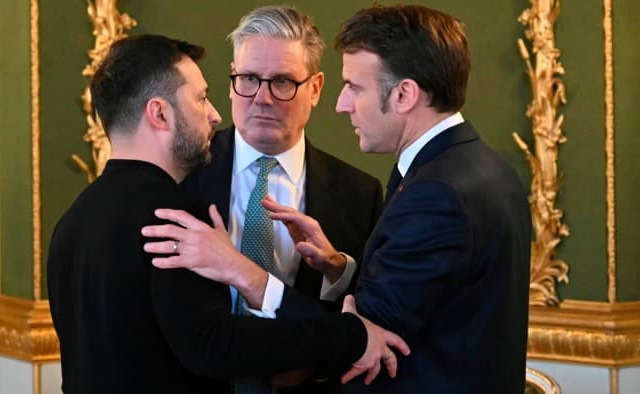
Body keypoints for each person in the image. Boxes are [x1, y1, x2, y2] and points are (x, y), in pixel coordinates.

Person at [144, 4, 532, 394]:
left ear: (404, 94)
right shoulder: (480, 170)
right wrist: (341, 273)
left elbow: (365, 337)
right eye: (247, 78)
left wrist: (245, 275)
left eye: (282, 82)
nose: (342, 104)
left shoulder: (406, 193)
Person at [47, 34, 407, 394]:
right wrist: (352, 335)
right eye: (201, 98)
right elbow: (214, 344)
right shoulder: (174, 218)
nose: (215, 114)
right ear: (160, 113)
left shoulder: (72, 220)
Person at [177, 6, 383, 392]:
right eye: (249, 79)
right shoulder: (183, 178)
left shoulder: (360, 193)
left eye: (283, 82)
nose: (263, 98)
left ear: (317, 88)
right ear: (231, 80)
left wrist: (337, 272)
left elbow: (369, 315)